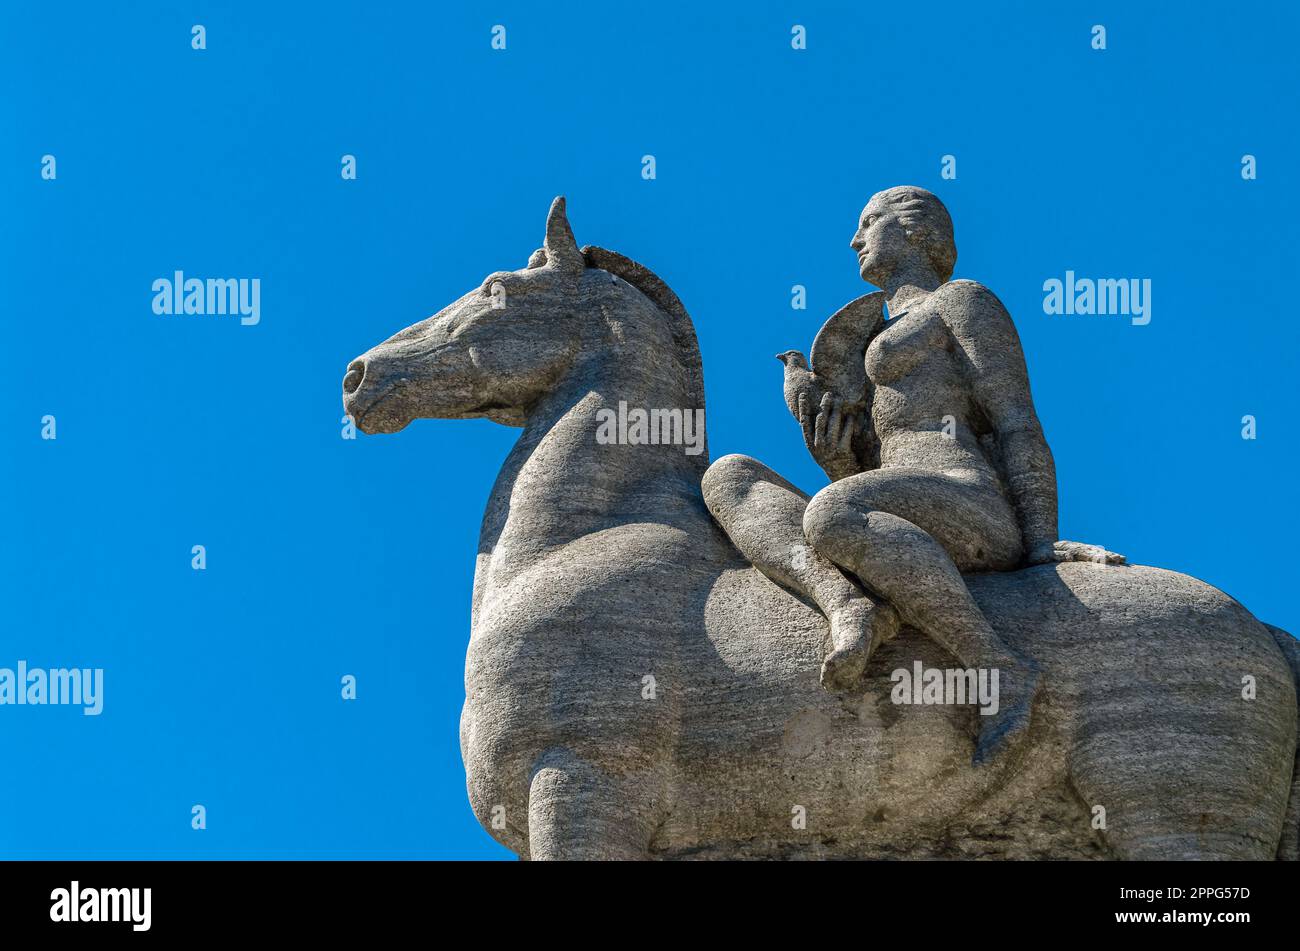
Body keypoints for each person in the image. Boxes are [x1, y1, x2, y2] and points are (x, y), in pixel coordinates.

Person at [702, 186, 1122, 763]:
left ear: (916, 231)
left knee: (832, 511)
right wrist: (837, 460)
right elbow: (871, 469)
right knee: (730, 475)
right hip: (895, 503)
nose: (854, 239)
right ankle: (848, 603)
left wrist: (1042, 540)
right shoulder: (870, 335)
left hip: (969, 502)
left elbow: (1017, 423)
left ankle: (997, 667)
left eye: (869, 222)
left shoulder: (962, 302)